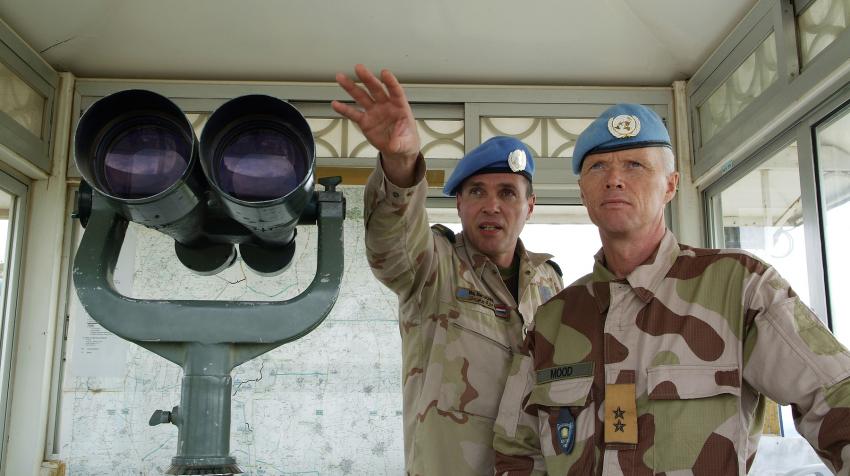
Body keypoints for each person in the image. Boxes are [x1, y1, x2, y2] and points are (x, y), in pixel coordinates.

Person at [492, 103, 850, 475]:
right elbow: (516, 450)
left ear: (671, 185)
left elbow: (836, 397)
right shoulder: (554, 319)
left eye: (635, 165)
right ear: (582, 190)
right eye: (598, 166)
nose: (614, 179)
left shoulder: (740, 287)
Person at [333, 64, 564, 475]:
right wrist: (400, 162)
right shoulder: (434, 266)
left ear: (529, 207)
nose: (491, 205)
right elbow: (392, 242)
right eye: (477, 191)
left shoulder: (550, 281)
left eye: (507, 193)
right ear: (459, 204)